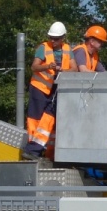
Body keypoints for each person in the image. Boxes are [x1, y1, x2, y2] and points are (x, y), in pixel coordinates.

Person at [26, 21, 76, 155]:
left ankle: (39, 149)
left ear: (63, 38)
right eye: (51, 38)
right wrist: (48, 66)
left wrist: (63, 71)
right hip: (39, 88)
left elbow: (74, 68)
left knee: (49, 118)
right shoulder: (43, 48)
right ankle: (31, 149)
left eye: (56, 38)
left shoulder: (67, 49)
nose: (53, 41)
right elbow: (34, 67)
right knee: (35, 119)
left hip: (55, 90)